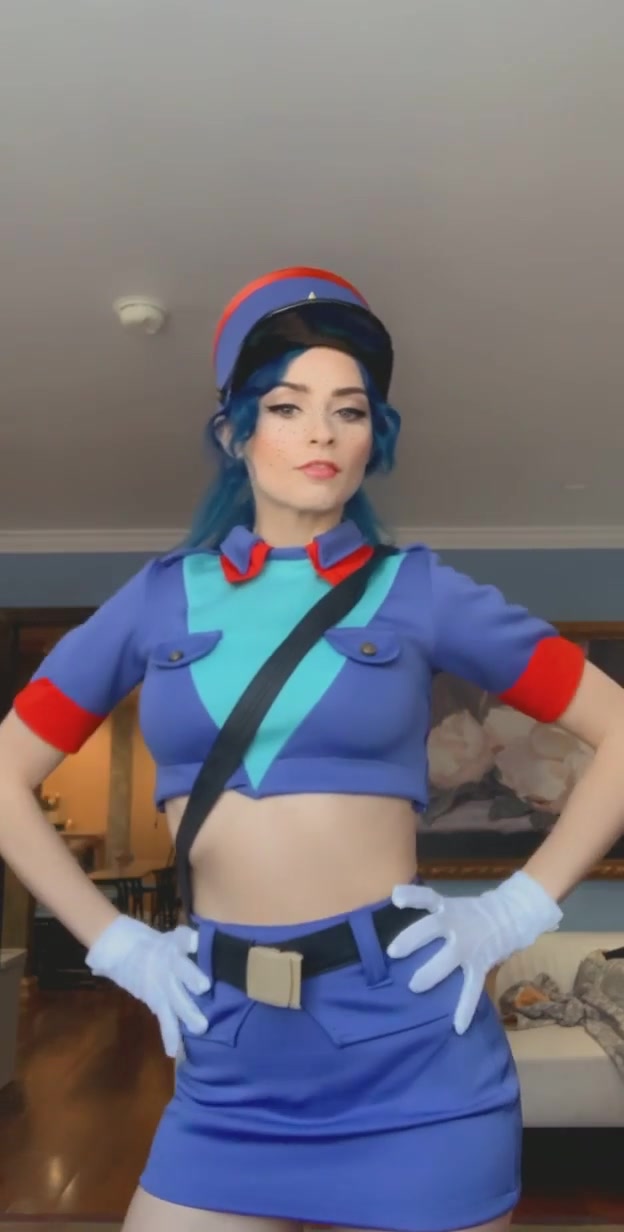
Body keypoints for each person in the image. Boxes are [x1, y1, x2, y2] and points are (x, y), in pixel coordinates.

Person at [1, 265, 624, 1232]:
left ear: (375, 437)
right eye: (287, 406)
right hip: (229, 1054)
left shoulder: (420, 591)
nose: (322, 433)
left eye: (350, 410)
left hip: (410, 1044)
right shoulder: (158, 599)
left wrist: (514, 911)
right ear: (235, 432)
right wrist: (116, 944)